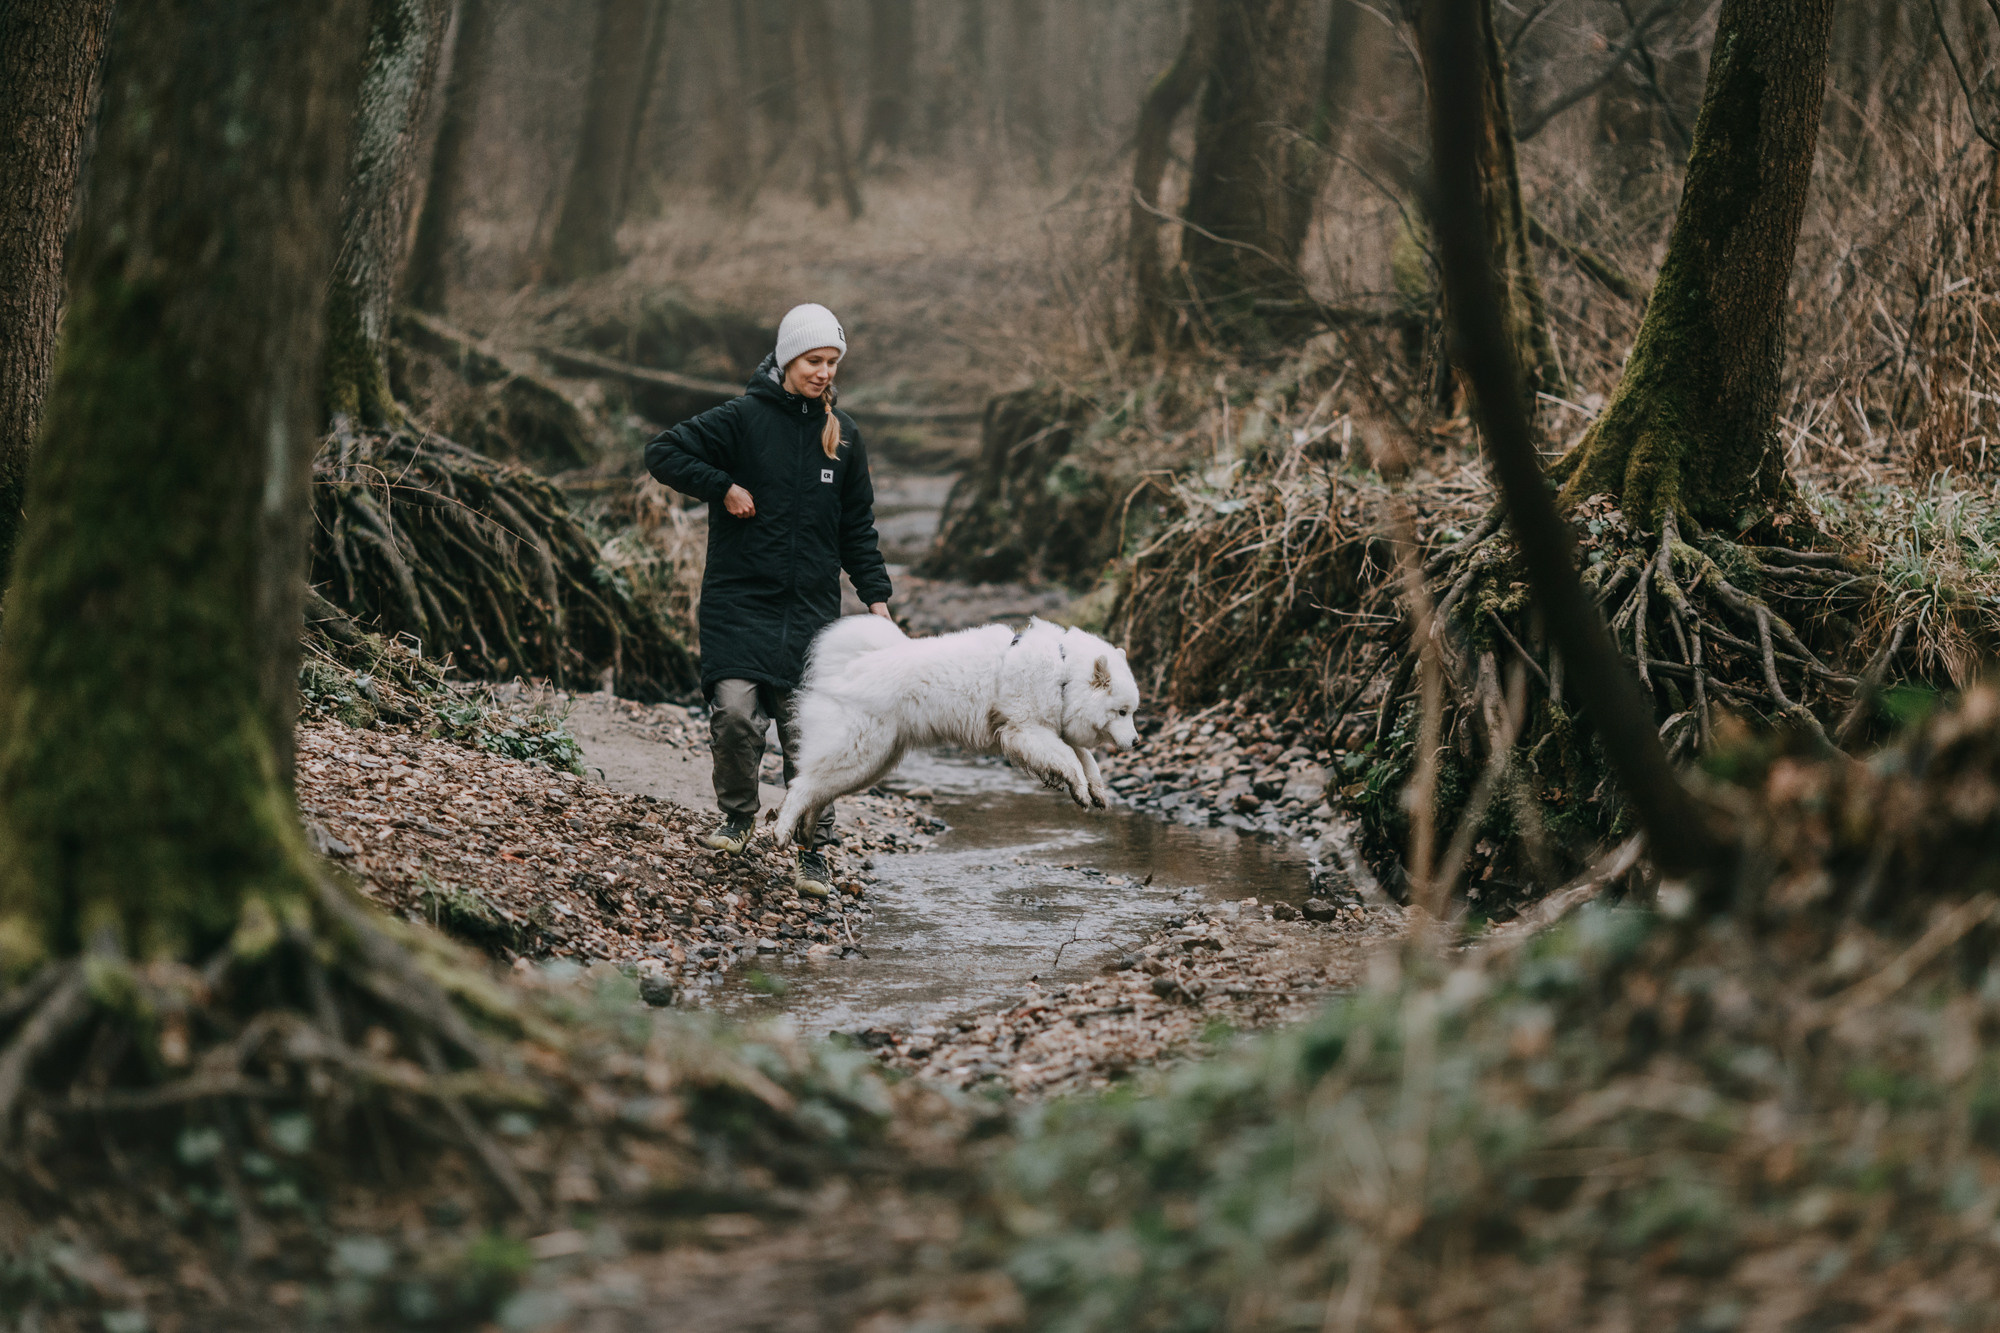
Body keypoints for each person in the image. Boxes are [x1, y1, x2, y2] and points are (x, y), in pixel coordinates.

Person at [644, 303, 892, 896]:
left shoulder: (846, 436)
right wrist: (723, 486)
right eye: (814, 360)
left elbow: (857, 528)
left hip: (811, 613)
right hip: (738, 601)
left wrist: (877, 600)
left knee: (809, 735)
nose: (824, 371)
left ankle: (812, 850)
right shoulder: (740, 420)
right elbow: (663, 452)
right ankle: (738, 817)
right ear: (787, 359)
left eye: (832, 362)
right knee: (734, 716)